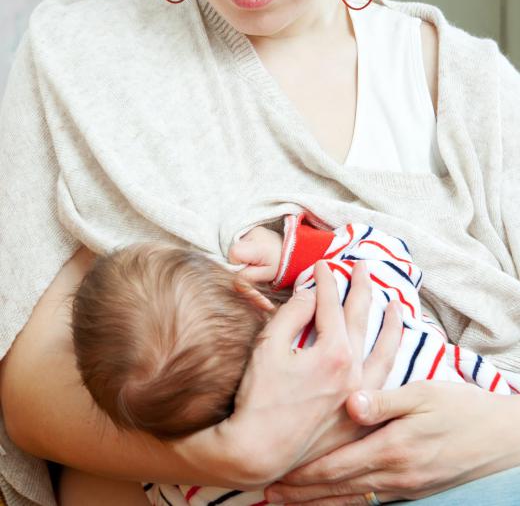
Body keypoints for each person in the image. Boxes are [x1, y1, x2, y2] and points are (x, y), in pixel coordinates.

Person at [1, 0, 520, 504]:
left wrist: (503, 430)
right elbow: (26, 386)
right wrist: (228, 455)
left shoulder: (469, 91)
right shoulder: (78, 62)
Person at [69, 213, 516, 506]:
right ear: (249, 293)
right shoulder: (340, 297)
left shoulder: (192, 487)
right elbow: (387, 250)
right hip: (489, 425)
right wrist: (292, 256)